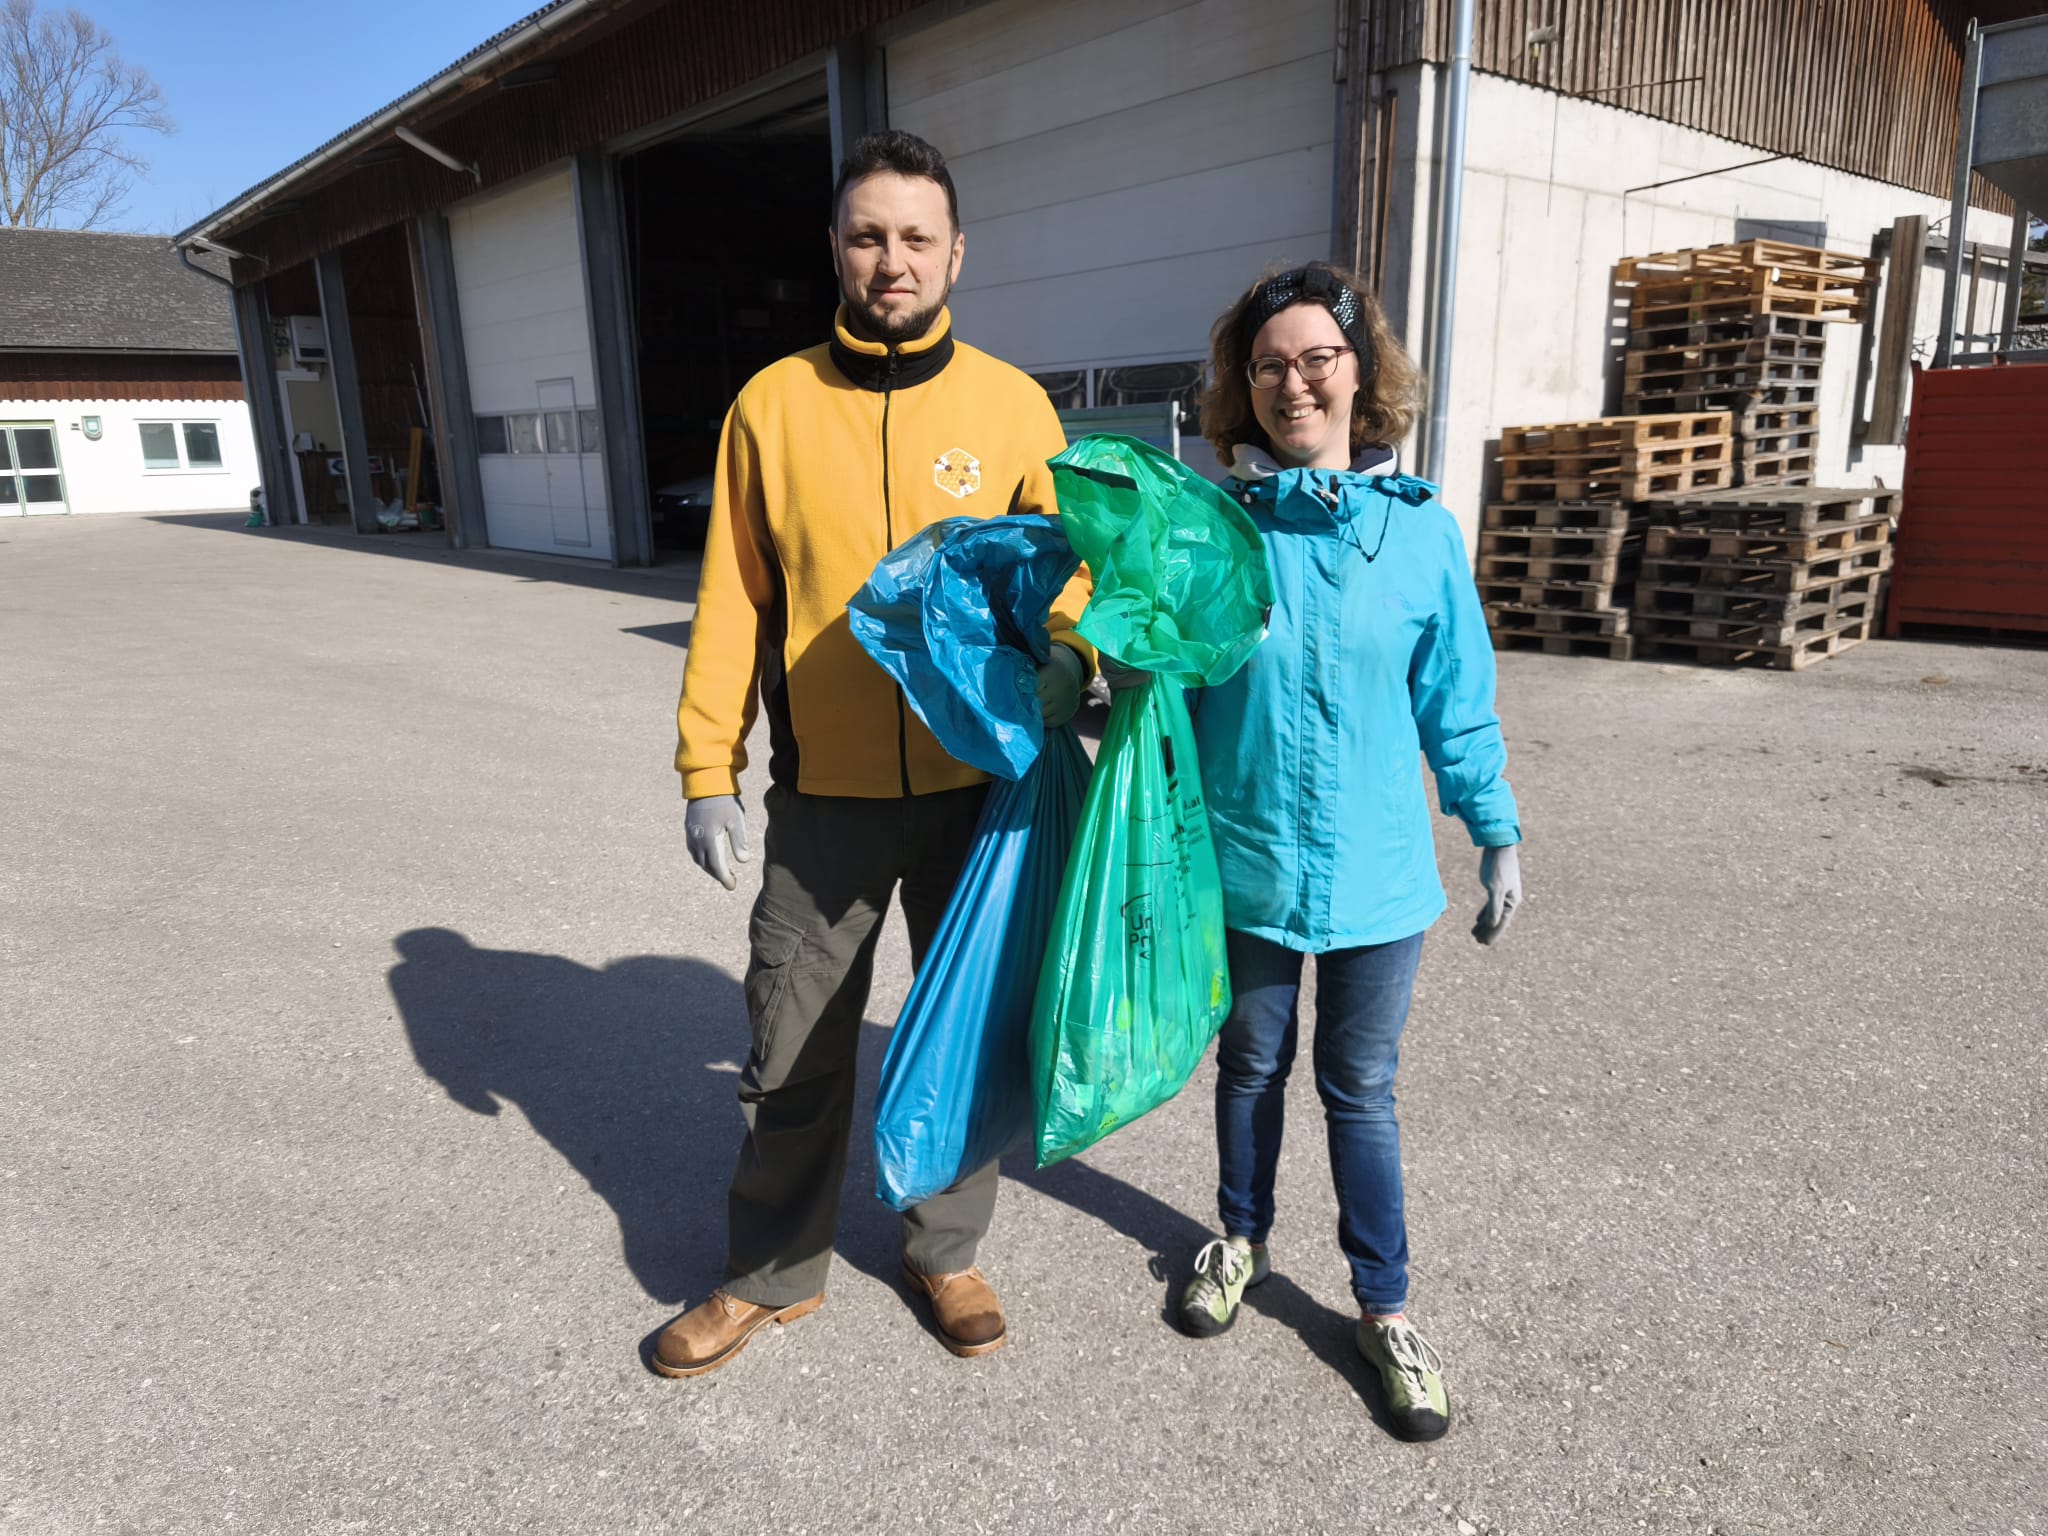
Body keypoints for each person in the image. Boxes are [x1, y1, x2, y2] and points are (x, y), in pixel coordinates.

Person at [659, 131, 1095, 1377]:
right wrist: (707, 768)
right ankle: (768, 1272)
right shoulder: (772, 405)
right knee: (788, 1043)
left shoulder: (1010, 405)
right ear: (835, 252)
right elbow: (731, 600)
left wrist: (1068, 662)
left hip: (981, 796)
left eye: (914, 237)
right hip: (825, 800)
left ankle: (943, 1249)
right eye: (867, 236)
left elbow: (1064, 576)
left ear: (955, 252)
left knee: (963, 1029)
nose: (890, 259)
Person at [1124, 262, 1522, 1440]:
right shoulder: (1209, 537)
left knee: (1360, 1089)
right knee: (1247, 1066)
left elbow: (1456, 700)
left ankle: (1382, 1305)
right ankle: (1237, 1237)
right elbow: (1164, 700)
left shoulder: (1417, 538)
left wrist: (1493, 828)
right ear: (1239, 389)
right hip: (1243, 868)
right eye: (1265, 366)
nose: (1290, 383)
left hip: (1378, 875)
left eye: (1315, 359)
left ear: (1360, 372)